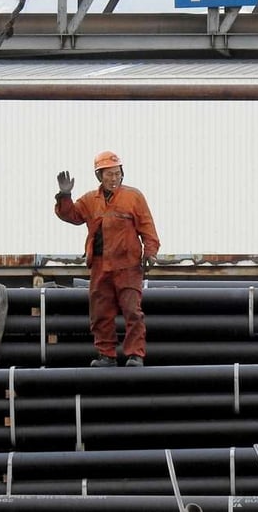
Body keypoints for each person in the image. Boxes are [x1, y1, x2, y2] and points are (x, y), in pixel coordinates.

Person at [55, 150, 160, 368]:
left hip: (128, 266)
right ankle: (106, 356)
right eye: (109, 175)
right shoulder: (90, 201)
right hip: (101, 265)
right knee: (100, 312)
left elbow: (147, 226)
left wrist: (150, 251)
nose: (114, 178)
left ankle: (135, 355)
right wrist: (64, 196)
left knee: (132, 311)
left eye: (117, 174)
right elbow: (71, 215)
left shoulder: (133, 197)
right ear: (99, 177)